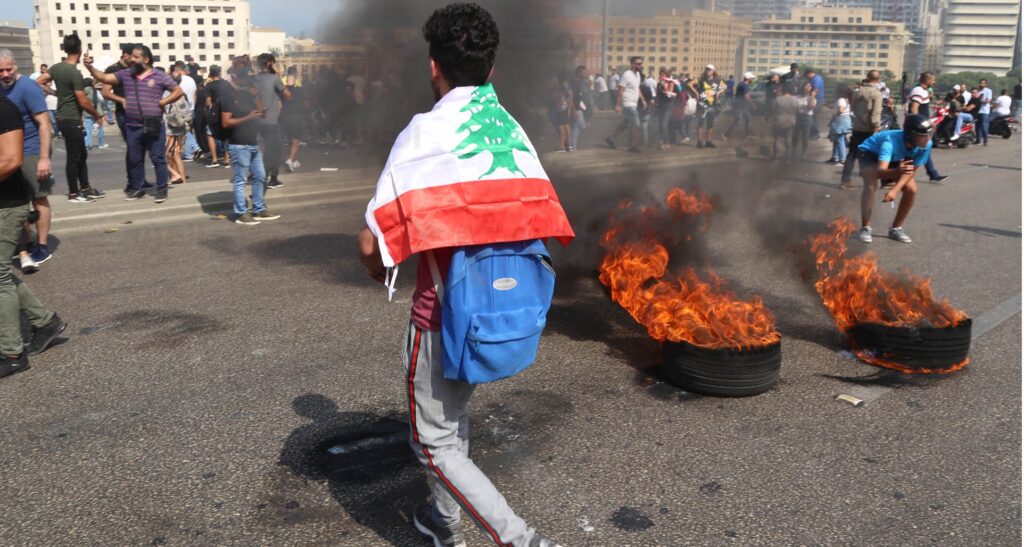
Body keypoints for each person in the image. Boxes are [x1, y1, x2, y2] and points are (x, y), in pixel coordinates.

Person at [358, 5, 570, 546]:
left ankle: (521, 540)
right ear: (491, 68)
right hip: (501, 313)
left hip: (442, 319)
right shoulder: (511, 130)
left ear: (434, 65)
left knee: (433, 443)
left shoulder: (425, 132)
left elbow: (371, 244)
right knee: (452, 423)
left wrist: (378, 266)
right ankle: (444, 520)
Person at [0, 93, 66, 380]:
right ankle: (45, 322)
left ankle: (13, 354)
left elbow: (11, 160)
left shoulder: (3, 108)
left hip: (6, 205)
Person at [83, 45, 182, 203]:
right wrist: (89, 67)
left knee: (158, 157)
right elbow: (105, 78)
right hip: (133, 124)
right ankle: (138, 188)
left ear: (146, 59)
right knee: (135, 158)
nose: (132, 59)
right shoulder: (126, 74)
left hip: (153, 122)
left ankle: (162, 189)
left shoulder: (159, 76)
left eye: (136, 57)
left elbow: (178, 91)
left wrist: (163, 101)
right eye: (131, 57)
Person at [0, 50, 56, 271]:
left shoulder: (28, 87)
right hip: (8, 153)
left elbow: (44, 123)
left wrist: (44, 158)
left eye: (9, 69)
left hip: (31, 151)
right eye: (0, 70)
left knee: (39, 199)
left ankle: (41, 246)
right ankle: (25, 243)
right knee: (16, 202)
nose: (5, 74)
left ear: (16, 66)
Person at [856, 115, 934, 244]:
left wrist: (895, 190)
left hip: (895, 157)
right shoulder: (889, 143)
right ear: (911, 135)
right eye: (923, 136)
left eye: (929, 135)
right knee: (871, 186)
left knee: (912, 190)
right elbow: (880, 173)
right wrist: (897, 171)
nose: (927, 139)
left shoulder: (927, 144)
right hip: (870, 154)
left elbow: (911, 171)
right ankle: (865, 227)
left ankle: (896, 228)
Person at [44, 34, 104, 203]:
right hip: (70, 119)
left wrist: (54, 92)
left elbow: (39, 82)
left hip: (65, 118)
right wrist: (97, 115)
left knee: (81, 155)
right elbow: (83, 101)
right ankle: (73, 193)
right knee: (74, 157)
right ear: (80, 49)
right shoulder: (74, 73)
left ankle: (85, 188)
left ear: (65, 49)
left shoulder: (56, 68)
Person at [217, 64, 279, 225]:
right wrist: (248, 118)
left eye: (249, 77)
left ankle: (259, 209)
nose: (247, 80)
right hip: (238, 144)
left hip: (253, 142)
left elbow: (263, 113)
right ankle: (241, 213)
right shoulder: (228, 96)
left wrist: (256, 96)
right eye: (243, 77)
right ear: (234, 78)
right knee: (240, 180)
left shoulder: (249, 95)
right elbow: (226, 122)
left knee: (260, 176)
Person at [840, 71, 883, 189]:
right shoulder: (877, 94)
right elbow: (876, 113)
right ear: (878, 80)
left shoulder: (858, 92)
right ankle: (870, 180)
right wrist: (876, 127)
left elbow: (852, 108)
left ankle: (845, 180)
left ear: (867, 78)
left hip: (857, 127)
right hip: (869, 129)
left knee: (852, 154)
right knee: (872, 154)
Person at [255, 53, 291, 188]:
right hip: (271, 121)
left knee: (261, 150)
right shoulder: (274, 78)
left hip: (256, 120)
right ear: (269, 63)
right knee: (274, 151)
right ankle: (272, 179)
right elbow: (288, 95)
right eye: (274, 63)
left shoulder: (255, 79)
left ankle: (258, 176)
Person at [906, 72, 946, 182]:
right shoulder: (918, 90)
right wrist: (917, 124)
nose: (934, 82)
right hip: (917, 127)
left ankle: (933, 174)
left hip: (922, 126)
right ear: (928, 80)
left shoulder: (924, 91)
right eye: (933, 80)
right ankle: (898, 175)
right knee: (914, 151)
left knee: (924, 149)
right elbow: (914, 108)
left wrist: (929, 123)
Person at [605, 56, 646, 153]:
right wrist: (617, 105)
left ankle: (611, 138)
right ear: (632, 64)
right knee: (636, 124)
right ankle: (633, 145)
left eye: (641, 64)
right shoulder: (627, 75)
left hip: (633, 104)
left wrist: (643, 100)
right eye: (638, 64)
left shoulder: (638, 75)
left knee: (625, 124)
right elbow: (620, 90)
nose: (640, 65)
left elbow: (637, 88)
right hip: (628, 104)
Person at [165, 64, 193, 185]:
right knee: (175, 153)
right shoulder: (182, 93)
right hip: (181, 126)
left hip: (172, 127)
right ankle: (178, 177)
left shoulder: (168, 94)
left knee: (172, 154)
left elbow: (165, 110)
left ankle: (178, 177)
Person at [204, 65, 232, 168]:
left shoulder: (209, 85)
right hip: (226, 110)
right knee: (226, 135)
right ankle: (226, 159)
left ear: (210, 73)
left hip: (214, 112)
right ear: (220, 72)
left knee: (210, 134)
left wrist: (206, 110)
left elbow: (208, 102)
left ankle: (215, 159)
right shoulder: (226, 84)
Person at [172, 61, 200, 161]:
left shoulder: (180, 81)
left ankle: (195, 148)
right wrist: (193, 107)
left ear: (178, 70)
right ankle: (189, 153)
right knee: (188, 131)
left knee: (185, 132)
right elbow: (195, 95)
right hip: (191, 109)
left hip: (182, 110)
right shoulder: (191, 80)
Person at [281, 67, 305, 172]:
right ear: (296, 76)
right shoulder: (299, 89)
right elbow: (305, 103)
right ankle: (290, 160)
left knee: (292, 140)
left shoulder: (283, 90)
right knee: (296, 140)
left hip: (285, 117)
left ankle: (294, 161)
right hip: (296, 117)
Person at [695, 64, 724, 148]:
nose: (708, 71)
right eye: (707, 69)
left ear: (713, 71)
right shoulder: (701, 80)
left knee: (710, 124)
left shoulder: (717, 80)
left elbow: (724, 87)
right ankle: (699, 141)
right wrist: (696, 93)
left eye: (709, 70)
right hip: (702, 105)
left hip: (712, 105)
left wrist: (718, 93)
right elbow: (689, 84)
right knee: (700, 123)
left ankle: (708, 141)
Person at [771, 83, 799, 161]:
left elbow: (773, 109)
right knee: (788, 139)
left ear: (783, 90)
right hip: (791, 121)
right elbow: (798, 110)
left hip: (779, 121)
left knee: (777, 138)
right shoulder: (795, 99)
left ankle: (776, 157)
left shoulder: (778, 99)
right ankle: (788, 158)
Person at [724, 72, 755, 140]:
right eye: (751, 79)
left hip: (742, 105)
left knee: (748, 118)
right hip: (739, 106)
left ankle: (748, 134)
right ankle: (726, 134)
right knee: (738, 120)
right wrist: (752, 104)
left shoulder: (741, 83)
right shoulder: (745, 85)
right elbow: (747, 96)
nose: (752, 80)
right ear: (748, 78)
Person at [827, 84, 852, 164]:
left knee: (840, 140)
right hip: (845, 120)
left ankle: (842, 159)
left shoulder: (841, 99)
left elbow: (841, 110)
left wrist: (836, 115)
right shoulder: (847, 99)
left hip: (840, 120)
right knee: (837, 139)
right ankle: (835, 157)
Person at [792, 80, 816, 159]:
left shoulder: (811, 98)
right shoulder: (797, 97)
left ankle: (804, 153)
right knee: (795, 135)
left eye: (810, 86)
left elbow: (811, 106)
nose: (808, 87)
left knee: (805, 136)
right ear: (803, 87)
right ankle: (793, 151)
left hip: (807, 117)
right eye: (806, 85)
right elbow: (793, 107)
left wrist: (812, 96)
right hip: (798, 116)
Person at [655, 69, 677, 150]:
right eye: (660, 74)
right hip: (660, 106)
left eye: (663, 75)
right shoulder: (659, 84)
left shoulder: (670, 83)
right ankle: (665, 142)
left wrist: (664, 86)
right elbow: (657, 95)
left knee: (664, 124)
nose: (661, 76)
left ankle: (663, 142)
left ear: (667, 76)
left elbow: (669, 95)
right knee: (661, 125)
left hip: (668, 106)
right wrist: (655, 102)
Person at [83, 79, 107, 150]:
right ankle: (102, 143)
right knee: (100, 128)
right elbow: (102, 101)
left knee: (88, 129)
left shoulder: (84, 91)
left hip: (88, 112)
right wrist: (103, 109)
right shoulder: (95, 90)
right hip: (98, 112)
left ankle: (88, 144)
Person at [805, 68, 825, 139]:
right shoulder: (814, 79)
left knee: (813, 117)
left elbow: (815, 90)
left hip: (817, 100)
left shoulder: (817, 79)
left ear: (810, 73)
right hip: (817, 99)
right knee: (813, 117)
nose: (807, 77)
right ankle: (813, 133)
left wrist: (811, 99)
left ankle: (815, 134)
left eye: (807, 75)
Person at [976, 78, 993, 145]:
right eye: (981, 83)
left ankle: (985, 141)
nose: (982, 84)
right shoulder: (978, 91)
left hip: (984, 111)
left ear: (986, 84)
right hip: (977, 111)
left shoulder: (988, 91)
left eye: (983, 83)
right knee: (977, 127)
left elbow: (988, 100)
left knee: (984, 126)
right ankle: (978, 140)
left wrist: (980, 101)